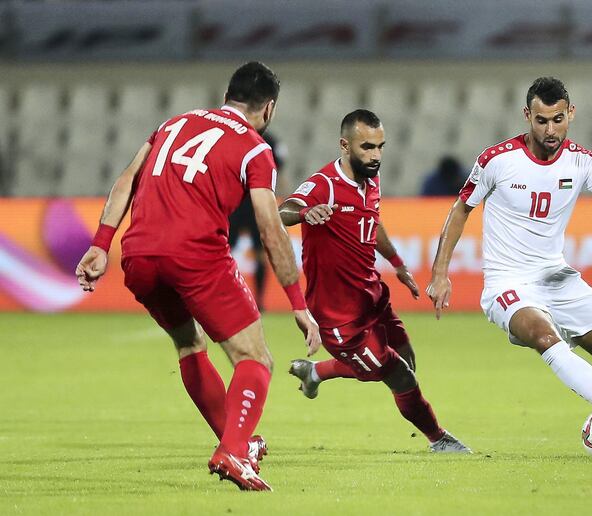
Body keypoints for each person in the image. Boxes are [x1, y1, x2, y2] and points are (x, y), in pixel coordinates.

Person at [75, 62, 322, 491]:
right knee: (255, 359)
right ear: (269, 109)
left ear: (228, 94)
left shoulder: (172, 124)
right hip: (195, 256)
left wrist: (100, 243)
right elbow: (270, 227)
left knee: (189, 345)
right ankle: (232, 451)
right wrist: (298, 303)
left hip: (138, 255)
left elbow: (126, 180)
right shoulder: (254, 148)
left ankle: (239, 444)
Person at [426, 77, 592, 458]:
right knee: (543, 336)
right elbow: (462, 209)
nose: (550, 129)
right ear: (527, 116)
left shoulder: (583, 161)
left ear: (570, 113)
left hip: (557, 277)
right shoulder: (497, 160)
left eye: (558, 119)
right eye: (541, 120)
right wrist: (440, 273)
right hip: (508, 283)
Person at [279, 109, 470, 454]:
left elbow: (373, 221)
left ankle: (315, 372)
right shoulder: (324, 185)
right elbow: (284, 211)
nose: (376, 156)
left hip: (373, 297)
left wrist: (397, 263)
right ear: (344, 144)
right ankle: (438, 439)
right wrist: (306, 212)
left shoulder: (371, 178)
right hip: (340, 318)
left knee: (407, 358)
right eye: (367, 147)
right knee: (399, 375)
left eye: (381, 147)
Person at [228, 131, 286, 311]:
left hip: (247, 203)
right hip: (246, 202)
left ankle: (258, 300)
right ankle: (250, 300)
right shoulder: (269, 141)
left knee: (249, 251)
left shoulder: (238, 137)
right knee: (227, 250)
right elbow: (279, 167)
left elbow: (279, 167)